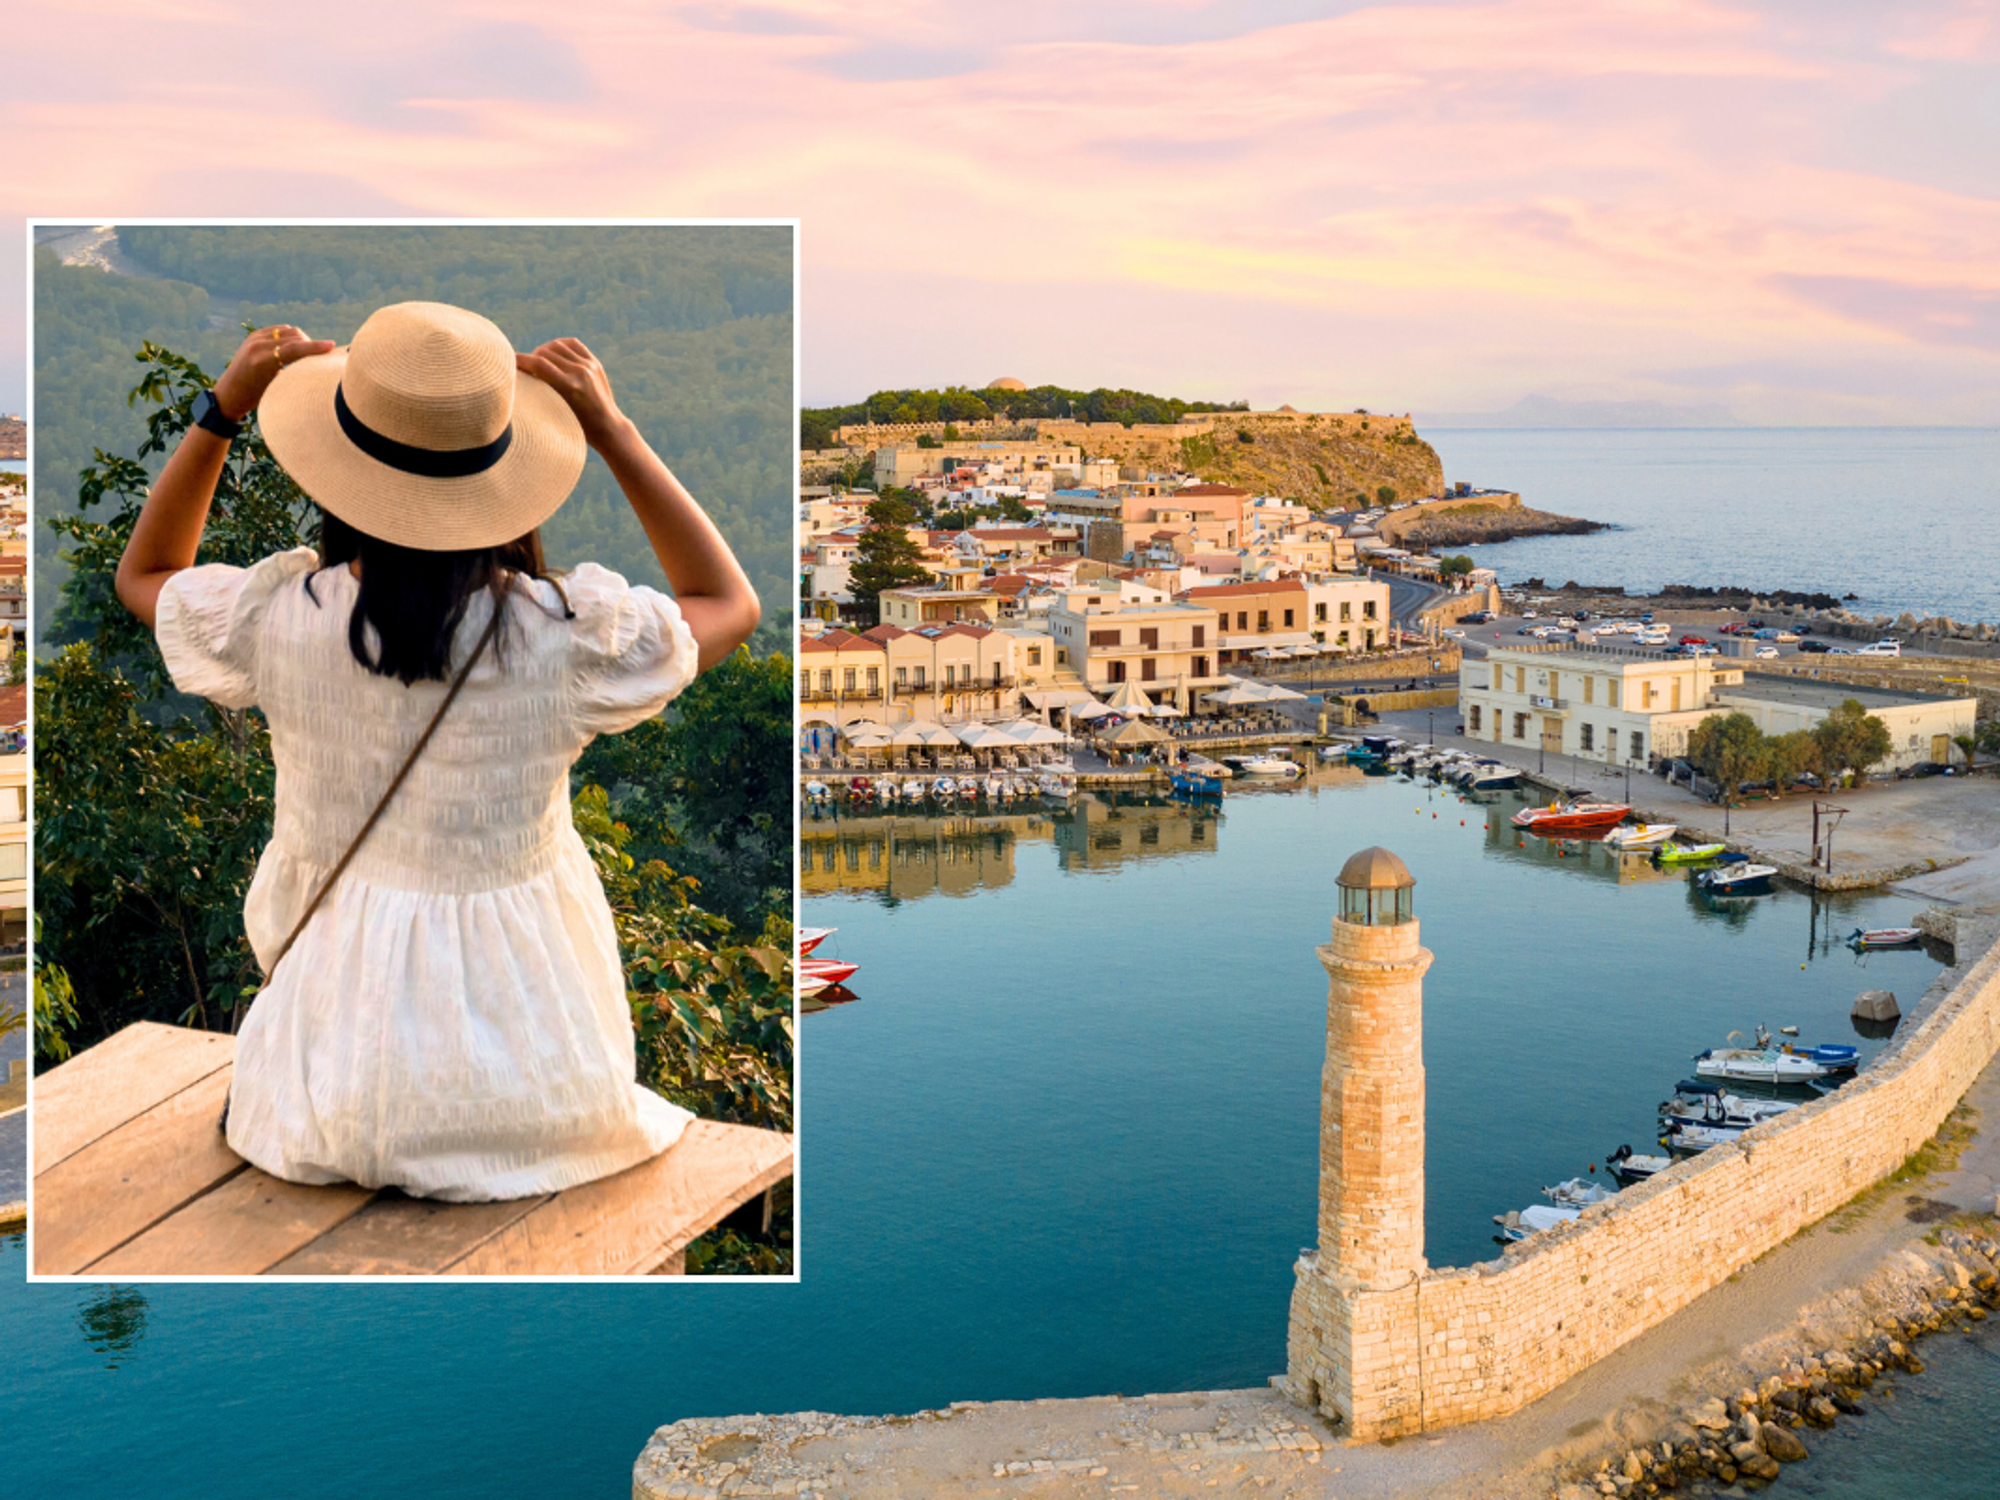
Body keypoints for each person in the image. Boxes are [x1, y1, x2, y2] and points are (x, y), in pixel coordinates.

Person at [113, 302, 761, 1202]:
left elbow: (144, 574)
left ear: (340, 475)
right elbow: (729, 603)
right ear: (504, 480)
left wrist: (222, 411)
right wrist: (612, 432)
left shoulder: (276, 622)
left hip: (323, 1095)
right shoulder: (566, 636)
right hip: (540, 1098)